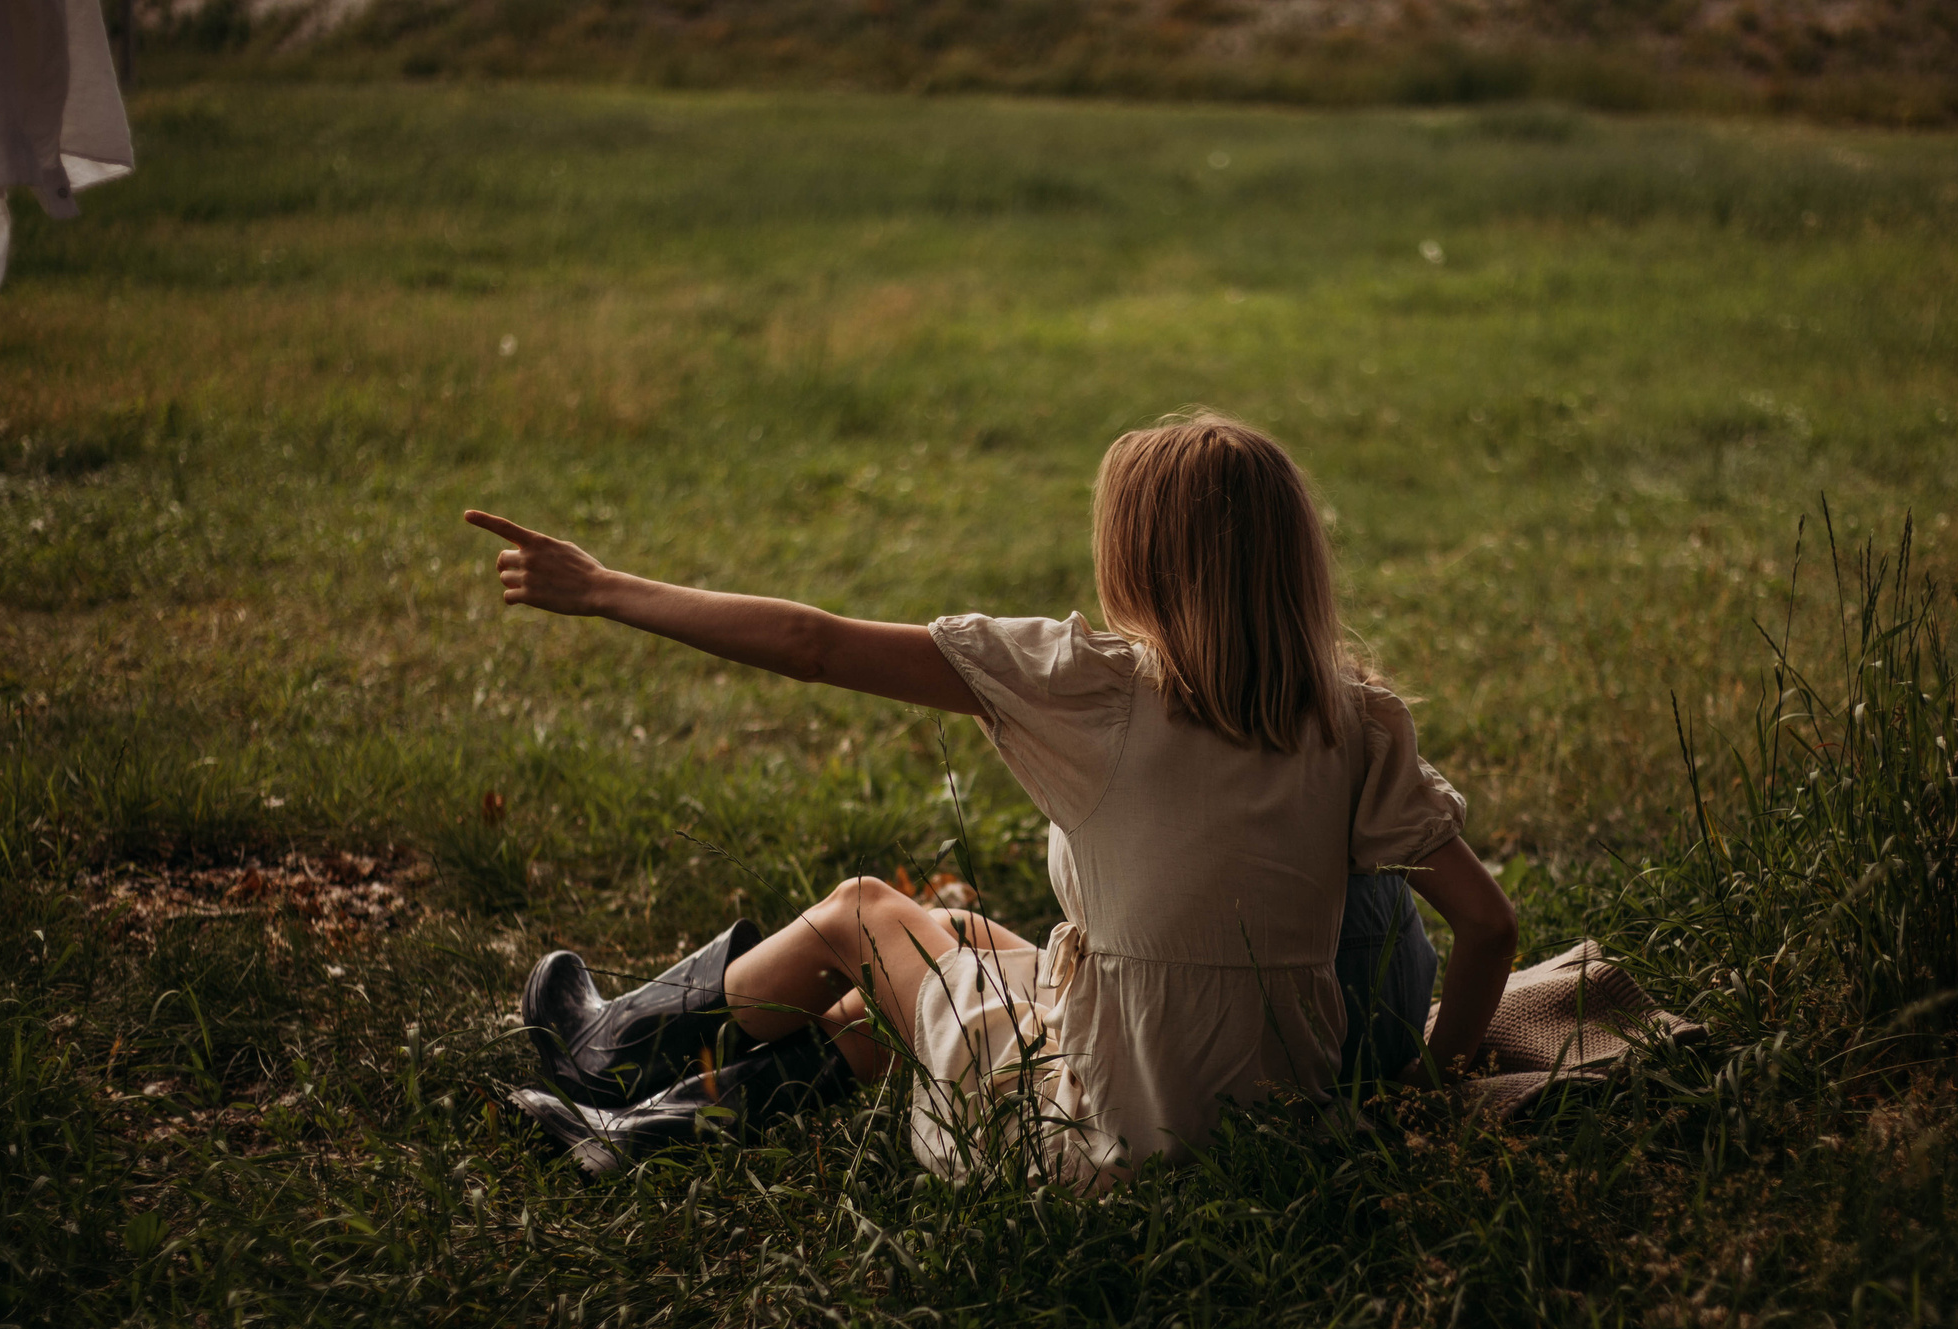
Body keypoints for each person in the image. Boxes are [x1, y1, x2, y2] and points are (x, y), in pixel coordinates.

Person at [467, 412, 1515, 1187]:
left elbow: (813, 644)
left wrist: (603, 588)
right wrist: (1426, 1098)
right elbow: (1487, 926)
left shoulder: (1091, 685)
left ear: (1138, 557)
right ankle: (654, 1129)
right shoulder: (1356, 719)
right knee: (953, 945)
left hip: (1107, 1143)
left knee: (864, 914)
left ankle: (612, 1053)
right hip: (1282, 1138)